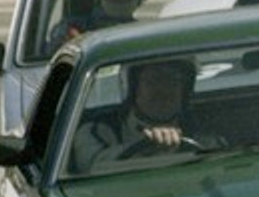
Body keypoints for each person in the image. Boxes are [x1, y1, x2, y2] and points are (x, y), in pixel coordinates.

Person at [72, 58, 207, 170]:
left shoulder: (202, 128)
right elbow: (92, 166)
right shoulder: (98, 130)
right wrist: (145, 149)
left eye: (174, 81)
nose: (163, 89)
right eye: (154, 80)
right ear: (134, 88)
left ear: (185, 91)